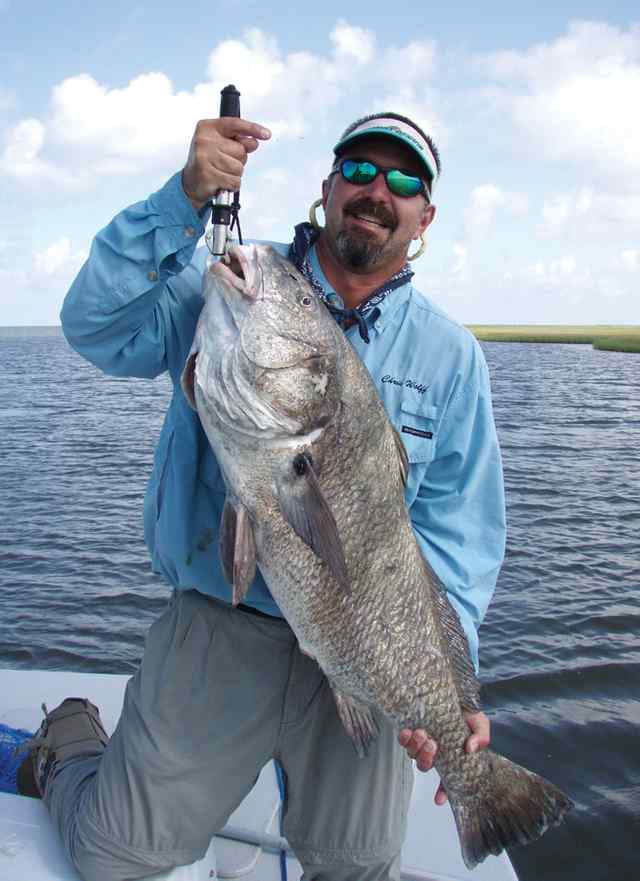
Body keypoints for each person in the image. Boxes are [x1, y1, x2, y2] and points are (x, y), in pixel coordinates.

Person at [20, 111, 506, 881]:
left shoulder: (451, 359)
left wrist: (443, 681)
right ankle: (70, 745)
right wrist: (180, 200)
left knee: (358, 871)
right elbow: (93, 323)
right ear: (327, 187)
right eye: (359, 170)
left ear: (424, 217)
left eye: (404, 180)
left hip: (362, 644)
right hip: (222, 617)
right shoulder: (235, 286)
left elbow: (458, 539)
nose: (378, 190)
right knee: (111, 859)